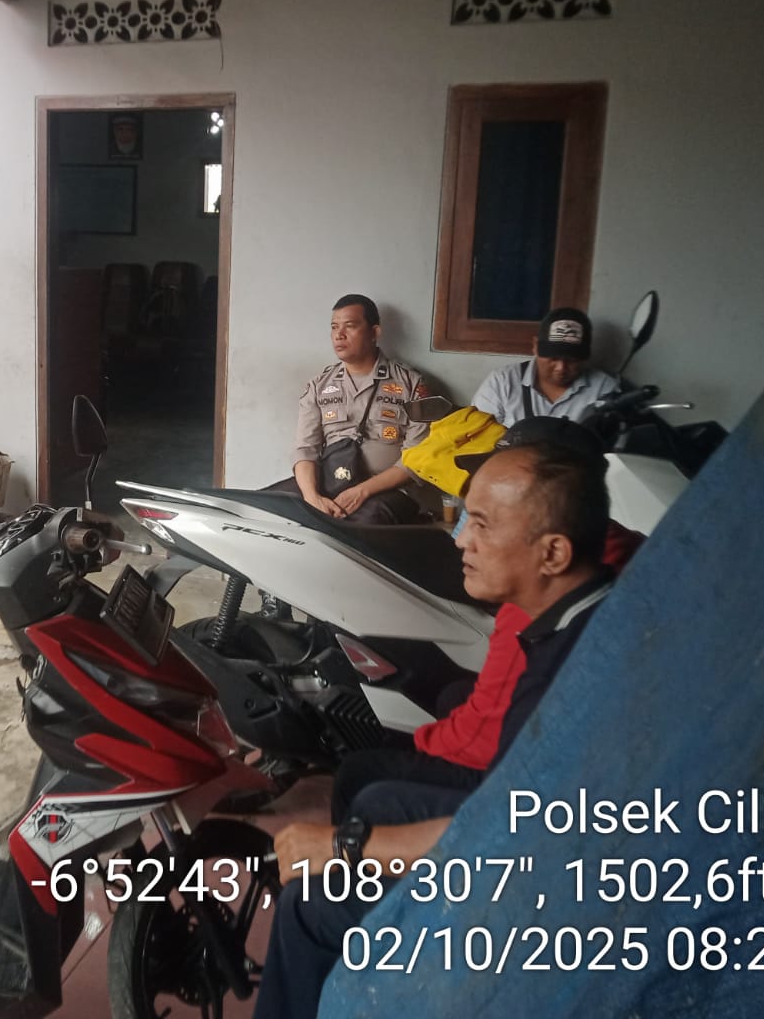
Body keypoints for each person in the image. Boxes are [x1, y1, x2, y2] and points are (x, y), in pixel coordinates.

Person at [253, 434, 616, 1019]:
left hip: (546, 890)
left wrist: (345, 845)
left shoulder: (583, 666)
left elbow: (518, 839)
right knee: (376, 794)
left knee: (310, 906)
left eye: (483, 524)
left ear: (552, 553)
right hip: (525, 829)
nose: (461, 539)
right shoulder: (574, 614)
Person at [327, 417, 637, 819]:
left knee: (365, 781)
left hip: (520, 793)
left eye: (484, 522)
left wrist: (419, 748)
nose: (461, 539)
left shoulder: (547, 620)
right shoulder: (616, 561)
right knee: (453, 695)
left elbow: (505, 780)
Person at [282, 294, 430, 525]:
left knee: (353, 529)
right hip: (329, 482)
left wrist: (362, 491)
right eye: (334, 327)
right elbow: (305, 449)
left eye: (349, 326)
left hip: (386, 491)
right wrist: (312, 498)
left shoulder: (411, 384)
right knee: (270, 508)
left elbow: (418, 457)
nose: (339, 335)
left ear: (374, 332)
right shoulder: (319, 385)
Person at [470, 306, 621, 426]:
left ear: (584, 358)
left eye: (571, 360)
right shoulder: (502, 382)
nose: (561, 368)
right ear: (535, 346)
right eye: (553, 358)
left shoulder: (604, 389)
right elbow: (477, 436)